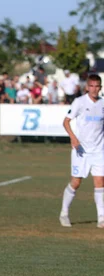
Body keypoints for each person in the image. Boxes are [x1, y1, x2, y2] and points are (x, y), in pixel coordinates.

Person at [59, 74, 104, 228]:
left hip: (99, 150)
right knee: (76, 182)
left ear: (100, 87)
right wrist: (73, 138)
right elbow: (66, 122)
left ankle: (101, 217)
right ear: (87, 87)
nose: (94, 89)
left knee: (99, 182)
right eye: (91, 86)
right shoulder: (79, 102)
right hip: (81, 150)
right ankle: (64, 213)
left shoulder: (103, 103)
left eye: (97, 86)